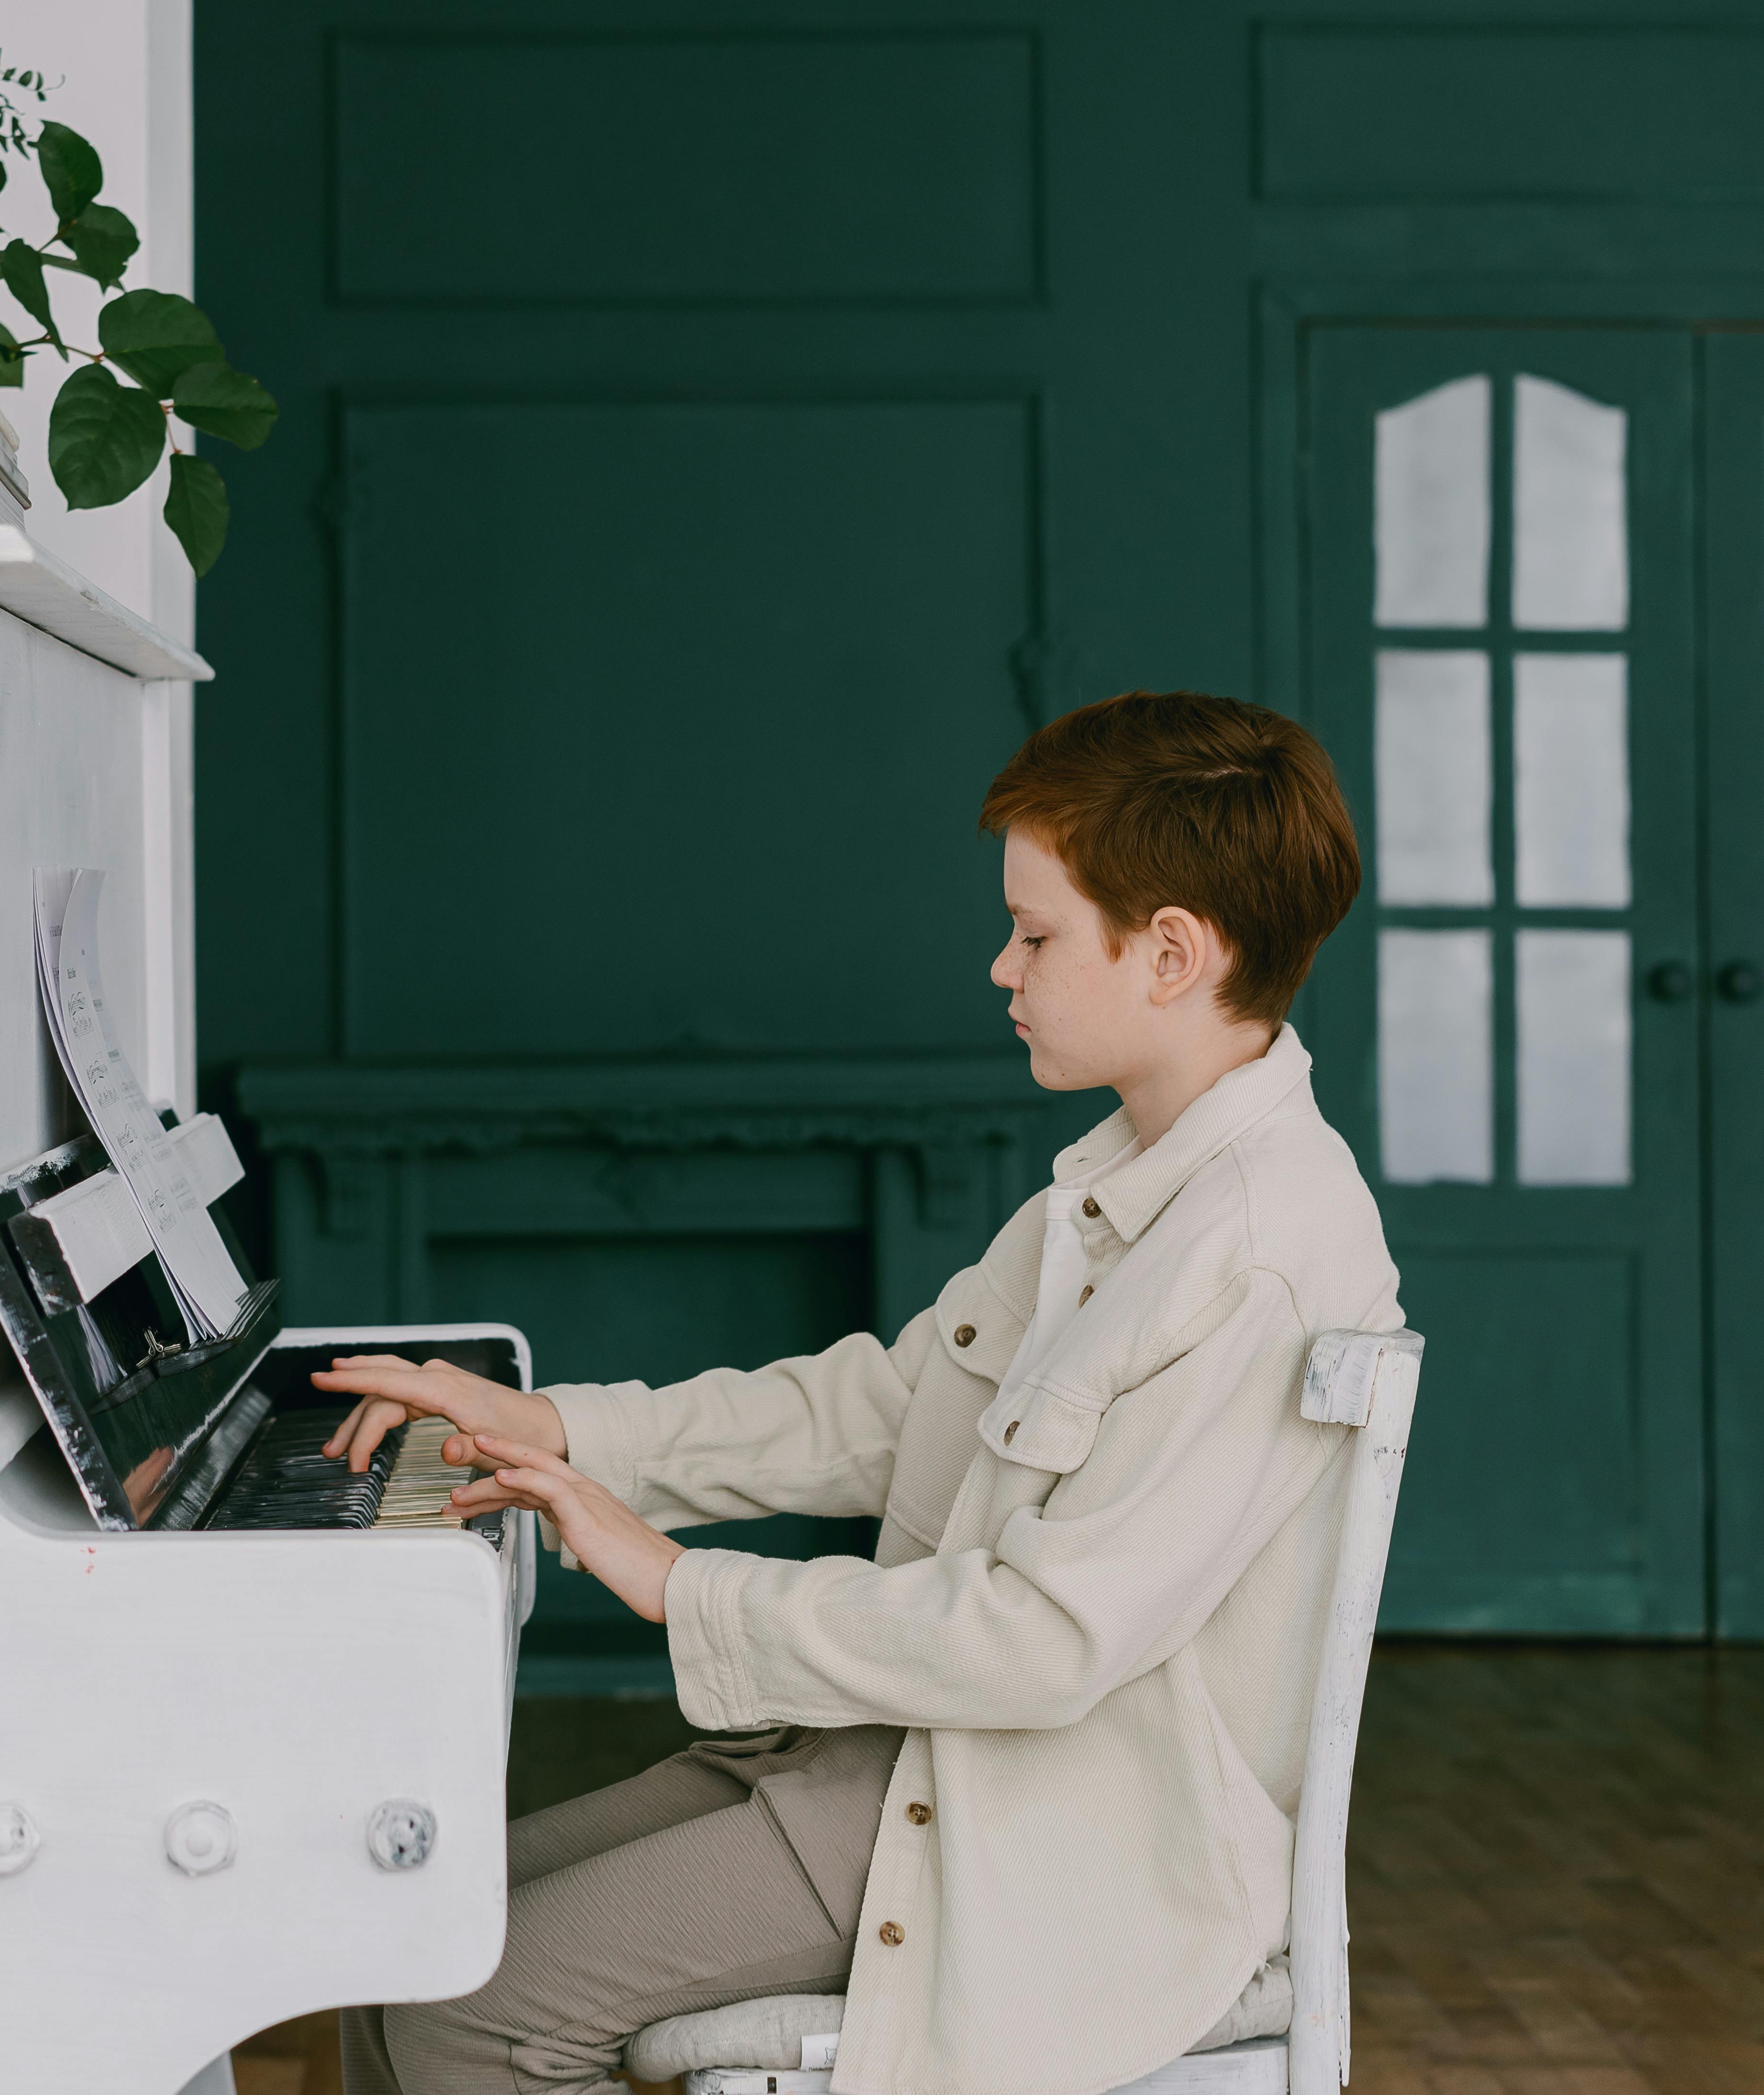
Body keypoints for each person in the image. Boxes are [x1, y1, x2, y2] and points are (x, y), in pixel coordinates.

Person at [316, 690, 1395, 2095]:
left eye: (1036, 932)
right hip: (895, 1762)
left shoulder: (1258, 1253)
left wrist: (681, 1586)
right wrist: (563, 1425)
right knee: (395, 1924)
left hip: (1035, 1834)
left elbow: (1045, 1640)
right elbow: (889, 1408)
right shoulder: (1123, 1186)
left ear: (1173, 953)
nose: (1001, 967)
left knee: (472, 2006)